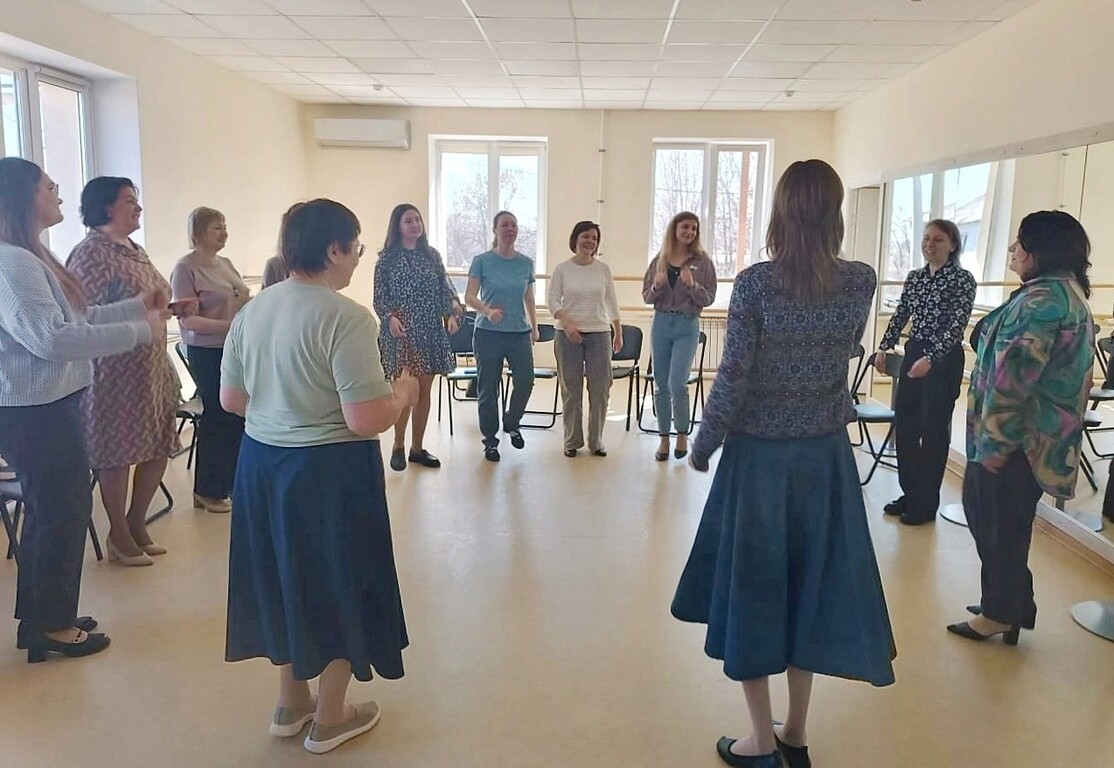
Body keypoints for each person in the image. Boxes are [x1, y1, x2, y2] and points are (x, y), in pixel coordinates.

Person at [671, 160, 895, 768]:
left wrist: (703, 443)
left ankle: (760, 739)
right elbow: (842, 349)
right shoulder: (861, 281)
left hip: (761, 464)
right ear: (834, 213)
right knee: (807, 589)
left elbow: (735, 374)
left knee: (756, 590)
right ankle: (794, 731)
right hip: (824, 461)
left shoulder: (756, 284)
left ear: (781, 212)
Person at [221, 199, 417, 754]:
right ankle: (330, 715)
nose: (356, 258)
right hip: (329, 472)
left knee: (286, 575)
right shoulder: (346, 317)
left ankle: (291, 700)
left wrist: (285, 407)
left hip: (262, 466)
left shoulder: (254, 310)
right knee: (339, 580)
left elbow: (232, 399)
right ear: (334, 251)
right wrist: (403, 393)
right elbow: (364, 418)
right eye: (355, 248)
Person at [0, 157, 168, 662]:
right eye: (48, 186)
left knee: (56, 510)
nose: (58, 193)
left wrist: (137, 308)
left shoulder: (32, 255)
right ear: (22, 197)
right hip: (35, 410)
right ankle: (51, 625)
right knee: (61, 512)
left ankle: (43, 617)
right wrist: (139, 331)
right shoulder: (14, 262)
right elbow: (53, 340)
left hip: (48, 405)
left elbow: (80, 316)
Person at [948, 211, 1094, 645]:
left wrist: (995, 442)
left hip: (1017, 441)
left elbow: (1012, 380)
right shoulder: (1062, 292)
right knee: (1005, 525)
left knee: (995, 525)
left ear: (1040, 250)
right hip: (1035, 439)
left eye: (1020, 242)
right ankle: (1012, 603)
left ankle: (1000, 612)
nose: (1013, 249)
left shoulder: (1043, 302)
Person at [67, 177, 194, 566]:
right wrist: (143, 314)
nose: (137, 207)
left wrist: (172, 309)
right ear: (106, 207)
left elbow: (146, 305)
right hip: (114, 372)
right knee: (117, 453)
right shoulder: (91, 253)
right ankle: (119, 534)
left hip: (150, 368)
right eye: (128, 201)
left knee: (158, 444)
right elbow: (84, 315)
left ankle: (137, 521)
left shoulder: (135, 251)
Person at [873, 219, 976, 525]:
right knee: (906, 426)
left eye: (938, 240)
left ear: (953, 245)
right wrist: (884, 346)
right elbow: (902, 312)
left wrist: (932, 358)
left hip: (944, 359)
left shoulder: (962, 279)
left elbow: (957, 325)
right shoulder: (915, 277)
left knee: (932, 432)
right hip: (915, 350)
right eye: (927, 238)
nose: (930, 244)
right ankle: (910, 493)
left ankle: (926, 503)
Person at [170, 207, 250, 513]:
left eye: (225, 226)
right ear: (199, 232)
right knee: (217, 416)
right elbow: (189, 321)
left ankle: (232, 482)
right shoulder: (185, 267)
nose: (224, 232)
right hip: (206, 351)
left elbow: (241, 298)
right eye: (217, 227)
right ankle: (207, 489)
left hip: (233, 347)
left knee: (238, 415)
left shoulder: (226, 264)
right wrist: (231, 326)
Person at [373, 203, 462, 472]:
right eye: (408, 221)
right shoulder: (387, 259)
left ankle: (417, 448)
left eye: (417, 220)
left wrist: (453, 310)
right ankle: (398, 445)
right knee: (405, 391)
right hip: (401, 333)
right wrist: (389, 318)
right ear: (398, 226)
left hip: (429, 330)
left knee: (424, 392)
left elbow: (445, 289)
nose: (415, 225)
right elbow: (379, 297)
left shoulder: (431, 256)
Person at [643, 212, 718, 461]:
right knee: (661, 383)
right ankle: (664, 438)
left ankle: (682, 434)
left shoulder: (703, 263)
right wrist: (657, 286)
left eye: (694, 229)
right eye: (685, 227)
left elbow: (708, 298)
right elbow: (647, 297)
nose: (690, 232)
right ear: (674, 229)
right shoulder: (659, 261)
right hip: (662, 323)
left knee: (677, 382)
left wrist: (692, 285)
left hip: (687, 325)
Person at [464, 210, 539, 462]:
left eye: (513, 225)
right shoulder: (482, 260)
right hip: (488, 334)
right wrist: (487, 311)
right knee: (488, 389)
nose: (510, 229)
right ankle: (490, 441)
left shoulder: (526, 263)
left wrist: (534, 326)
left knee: (526, 381)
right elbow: (469, 296)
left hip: (519, 333)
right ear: (495, 230)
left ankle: (512, 421)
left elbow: (529, 298)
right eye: (505, 225)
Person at [548, 220, 622, 458]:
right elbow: (552, 301)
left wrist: (617, 331)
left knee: (600, 389)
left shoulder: (603, 270)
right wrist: (568, 324)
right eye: (585, 236)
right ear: (575, 239)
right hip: (567, 334)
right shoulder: (562, 269)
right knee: (571, 389)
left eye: (594, 238)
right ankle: (572, 440)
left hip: (599, 333)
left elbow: (611, 302)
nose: (590, 241)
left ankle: (596, 440)